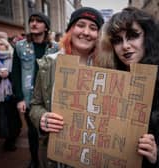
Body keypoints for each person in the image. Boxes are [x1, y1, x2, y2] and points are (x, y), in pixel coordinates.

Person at [29, 7, 104, 168]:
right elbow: (35, 104)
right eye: (80, 25)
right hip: (57, 154)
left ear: (99, 35)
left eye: (93, 28)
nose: (86, 32)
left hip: (93, 154)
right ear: (70, 30)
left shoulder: (107, 67)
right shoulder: (48, 64)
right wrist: (42, 118)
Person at [95, 7, 159, 168]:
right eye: (117, 40)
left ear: (148, 36)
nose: (125, 46)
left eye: (132, 36)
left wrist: (156, 155)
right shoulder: (109, 79)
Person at [12, 12, 59, 168]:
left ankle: (50, 160)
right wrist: (19, 98)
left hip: (48, 97)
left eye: (39, 21)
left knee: (50, 131)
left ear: (46, 27)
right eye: (31, 20)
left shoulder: (55, 48)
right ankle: (34, 160)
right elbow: (16, 72)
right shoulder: (20, 46)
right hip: (28, 97)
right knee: (32, 132)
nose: (34, 23)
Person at [0, 37, 21, 151]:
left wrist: (9, 74)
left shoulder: (13, 57)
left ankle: (13, 136)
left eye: (1, 44)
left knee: (14, 117)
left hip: (12, 94)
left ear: (6, 46)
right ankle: (8, 140)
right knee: (3, 118)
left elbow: (18, 76)